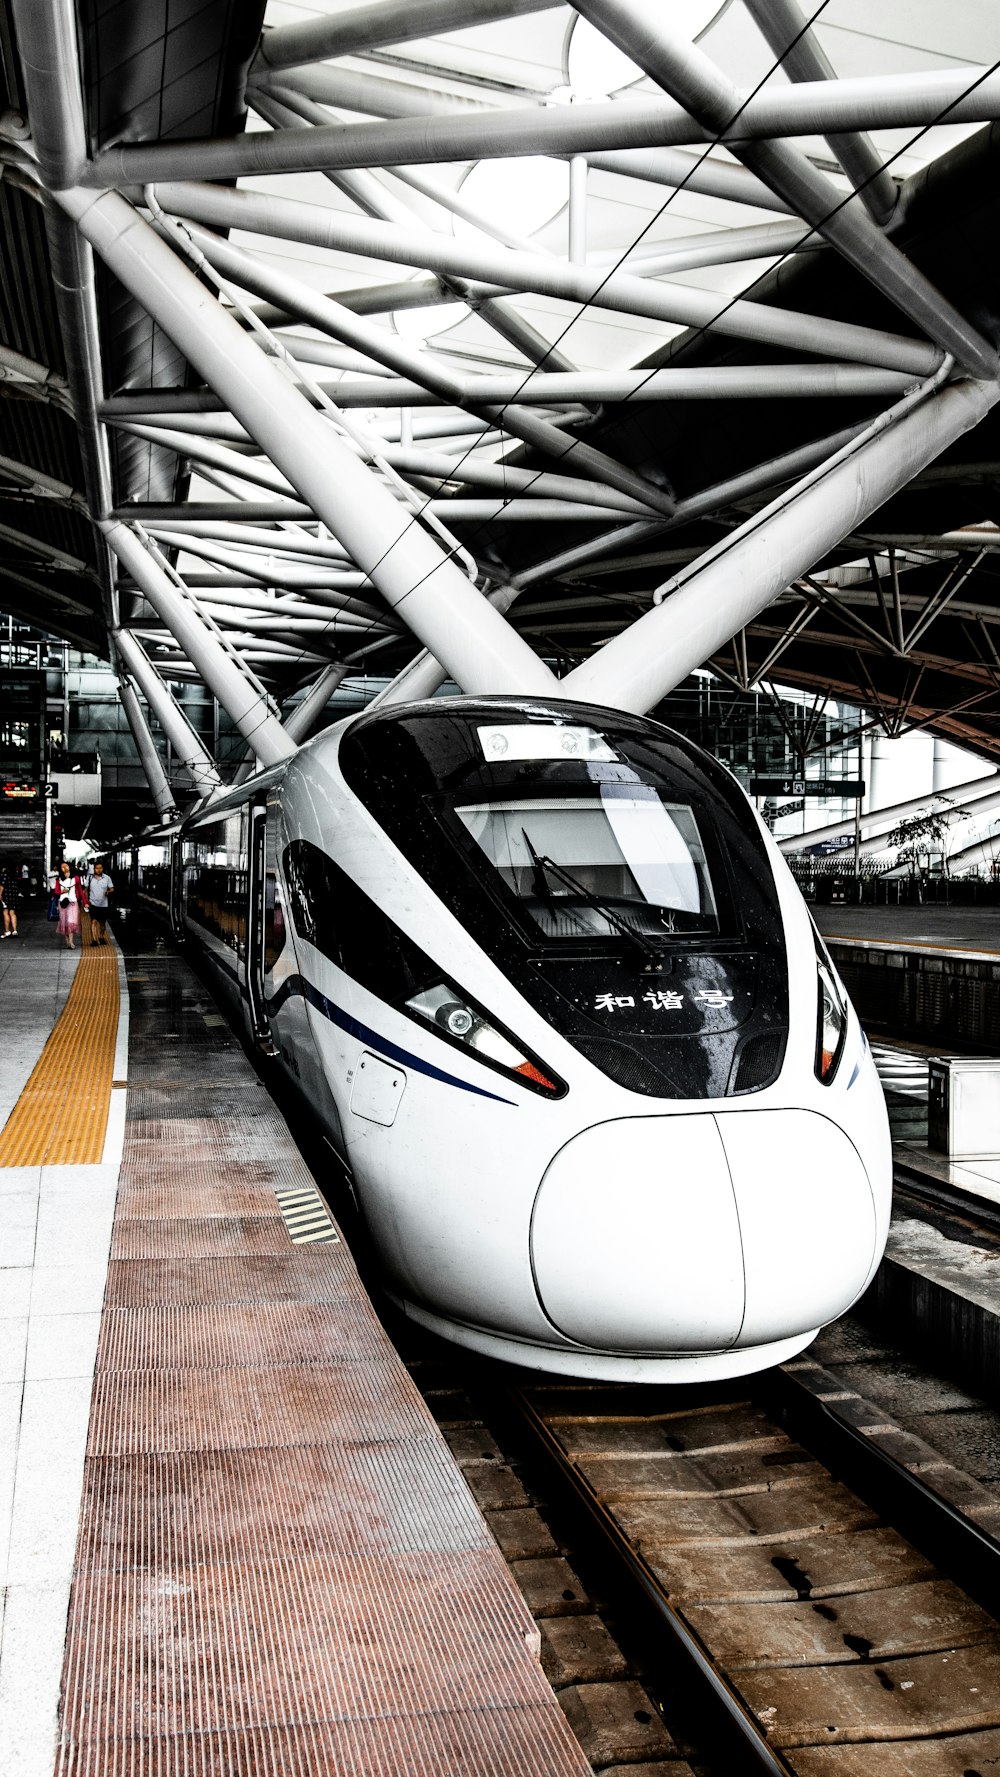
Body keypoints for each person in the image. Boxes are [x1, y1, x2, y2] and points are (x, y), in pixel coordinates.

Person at [52, 859, 85, 951]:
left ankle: (71, 942)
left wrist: (85, 902)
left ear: (69, 867)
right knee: (65, 923)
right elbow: (56, 892)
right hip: (63, 903)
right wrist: (62, 891)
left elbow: (80, 892)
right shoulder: (59, 880)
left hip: (73, 903)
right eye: (62, 866)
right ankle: (67, 942)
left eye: (65, 866)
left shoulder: (76, 879)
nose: (64, 868)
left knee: (71, 922)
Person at [86, 860, 114, 945]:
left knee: (102, 923)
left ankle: (101, 936)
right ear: (94, 869)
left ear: (103, 868)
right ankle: (94, 940)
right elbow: (85, 890)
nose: (98, 870)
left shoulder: (107, 878)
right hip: (93, 903)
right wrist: (87, 901)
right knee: (93, 921)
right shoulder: (90, 878)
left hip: (103, 904)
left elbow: (112, 888)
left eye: (100, 868)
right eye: (97, 868)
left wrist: (108, 892)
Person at [0, 862, 18, 939]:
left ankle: (7, 931)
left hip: (6, 895)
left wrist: (0, 894)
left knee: (5, 912)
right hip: (13, 896)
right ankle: (14, 930)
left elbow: (2, 885)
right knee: (12, 913)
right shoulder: (14, 875)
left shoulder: (4, 874)